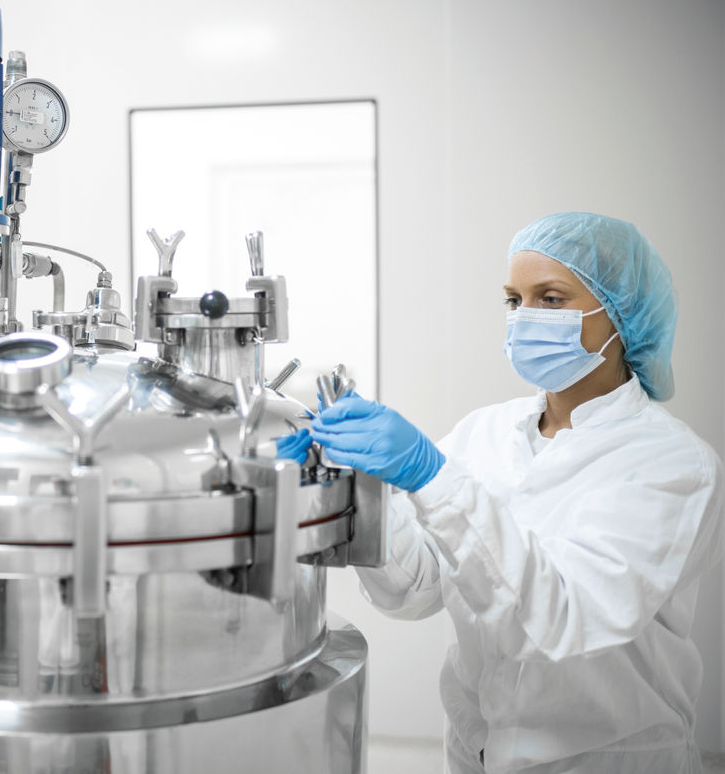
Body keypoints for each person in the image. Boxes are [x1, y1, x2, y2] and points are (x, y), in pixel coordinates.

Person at [279, 212, 721, 773]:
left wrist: (428, 475)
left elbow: (561, 620)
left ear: (619, 314)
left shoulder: (672, 464)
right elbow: (418, 587)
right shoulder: (486, 431)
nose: (524, 318)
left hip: (606, 760)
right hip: (475, 752)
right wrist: (360, 483)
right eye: (514, 299)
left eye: (551, 298)